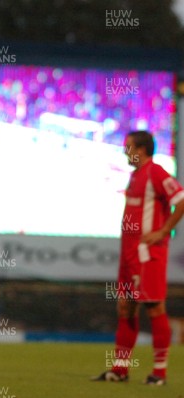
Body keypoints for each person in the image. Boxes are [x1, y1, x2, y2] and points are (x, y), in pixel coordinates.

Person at [93, 130, 184, 385]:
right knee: (125, 307)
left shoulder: (156, 172)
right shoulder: (135, 176)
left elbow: (181, 199)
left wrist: (164, 231)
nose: (125, 152)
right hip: (129, 255)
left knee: (154, 307)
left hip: (147, 256)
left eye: (128, 147)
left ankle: (160, 373)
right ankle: (120, 370)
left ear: (141, 149)